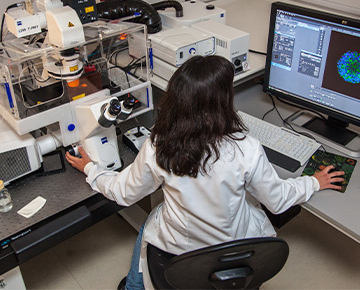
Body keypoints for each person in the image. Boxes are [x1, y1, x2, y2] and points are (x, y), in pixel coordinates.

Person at [66, 55, 344, 290]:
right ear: (221, 102)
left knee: (148, 228)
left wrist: (91, 167)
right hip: (236, 252)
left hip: (180, 257)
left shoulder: (159, 145)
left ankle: (132, 287)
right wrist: (312, 183)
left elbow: (122, 193)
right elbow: (278, 199)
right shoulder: (245, 148)